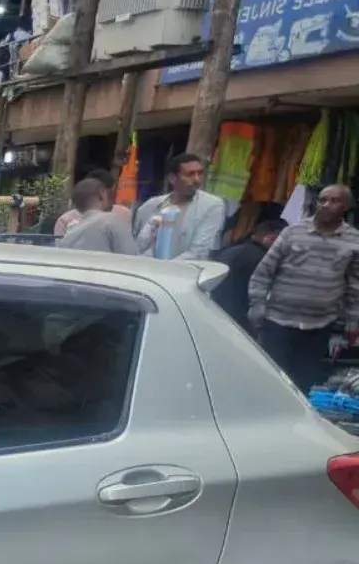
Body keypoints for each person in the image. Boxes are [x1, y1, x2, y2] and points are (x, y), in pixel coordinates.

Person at [248, 185, 359, 393]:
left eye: (334, 201)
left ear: (346, 206)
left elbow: (354, 290)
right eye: (322, 200)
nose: (326, 205)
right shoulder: (293, 232)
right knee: (270, 382)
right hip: (278, 322)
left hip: (319, 328)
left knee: (305, 387)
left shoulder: (354, 241)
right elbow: (263, 273)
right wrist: (258, 305)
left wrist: (344, 332)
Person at [134, 152, 226, 261]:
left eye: (200, 173)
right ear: (172, 178)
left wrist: (164, 268)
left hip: (187, 272)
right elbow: (136, 247)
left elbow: (199, 252)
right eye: (190, 174)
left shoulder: (212, 205)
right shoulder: (150, 206)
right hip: (146, 269)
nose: (197, 180)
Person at [212, 218, 287, 331]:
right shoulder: (264, 262)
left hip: (211, 312)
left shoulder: (230, 250)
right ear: (271, 238)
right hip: (235, 325)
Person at [59, 177, 139, 254]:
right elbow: (131, 257)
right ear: (101, 195)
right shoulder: (112, 221)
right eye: (109, 194)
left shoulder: (69, 233)